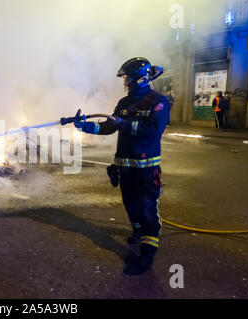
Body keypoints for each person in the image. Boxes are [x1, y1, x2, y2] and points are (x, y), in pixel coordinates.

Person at [74, 57, 170, 275]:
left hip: (146, 171)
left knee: (147, 211)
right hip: (125, 169)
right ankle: (138, 232)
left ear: (142, 78)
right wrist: (86, 127)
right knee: (130, 206)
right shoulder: (124, 103)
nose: (125, 82)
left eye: (128, 78)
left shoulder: (159, 102)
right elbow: (109, 126)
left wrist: (124, 124)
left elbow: (152, 131)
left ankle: (146, 256)